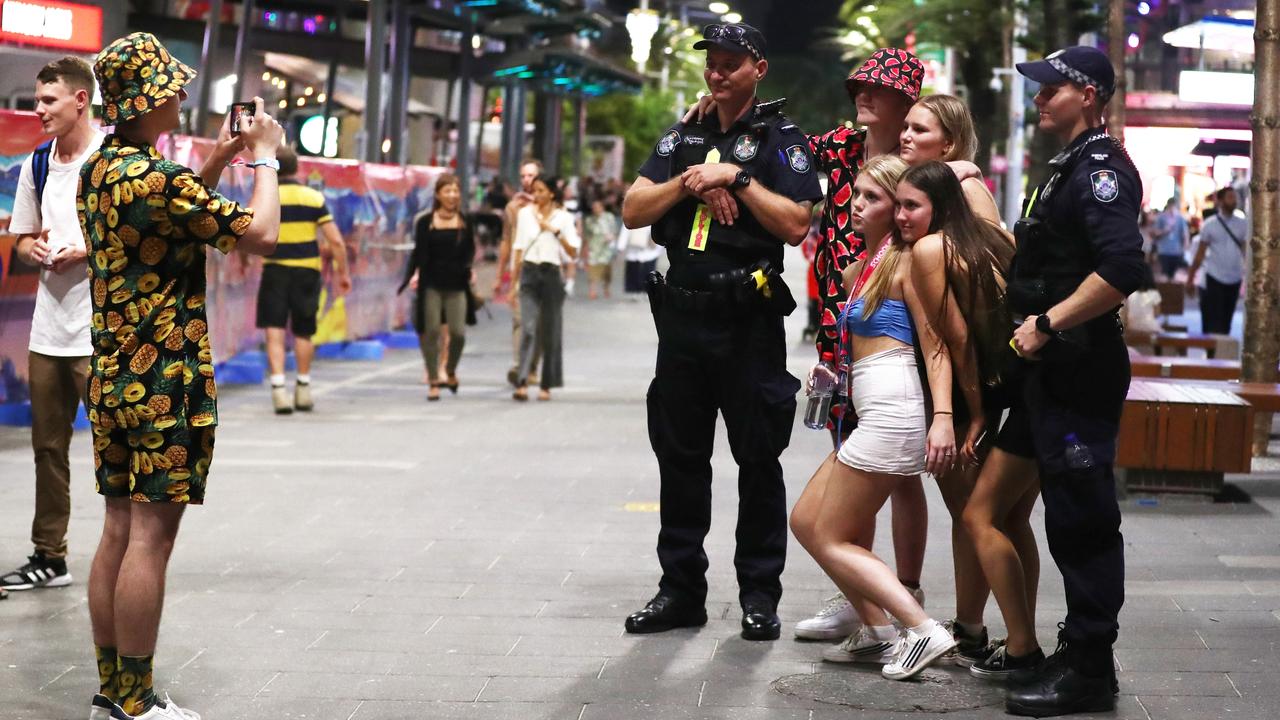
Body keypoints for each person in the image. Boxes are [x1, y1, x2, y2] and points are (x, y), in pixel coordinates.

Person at [79, 32, 284, 720]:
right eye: (169, 88)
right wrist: (266, 162)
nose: (180, 95)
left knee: (115, 530)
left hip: (110, 374)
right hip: (166, 380)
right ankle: (137, 704)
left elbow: (176, 214)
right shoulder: (160, 179)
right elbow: (260, 235)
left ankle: (113, 691)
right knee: (151, 539)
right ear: (146, 101)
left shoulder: (102, 170)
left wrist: (222, 155)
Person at [621, 22, 821, 642]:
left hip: (748, 320)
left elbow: (794, 224)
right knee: (680, 458)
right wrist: (690, 181)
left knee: (758, 458)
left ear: (758, 68)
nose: (717, 73)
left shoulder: (781, 140)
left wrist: (734, 180)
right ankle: (680, 590)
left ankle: (760, 595)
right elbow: (633, 208)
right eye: (713, 62)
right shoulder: (685, 132)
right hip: (682, 318)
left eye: (731, 63)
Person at [1004, 46, 1145, 716]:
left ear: (1088, 94)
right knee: (1064, 516)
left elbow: (1122, 268)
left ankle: (1090, 669)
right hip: (1055, 372)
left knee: (1085, 521)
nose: (1039, 100)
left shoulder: (1102, 170)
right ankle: (1078, 647)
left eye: (1049, 90)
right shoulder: (1065, 167)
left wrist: (1048, 323)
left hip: (1079, 366)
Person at [794, 154, 960, 678]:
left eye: (873, 198)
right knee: (804, 521)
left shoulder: (910, 262)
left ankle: (920, 628)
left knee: (830, 534)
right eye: (856, 195)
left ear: (898, 210)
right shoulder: (859, 269)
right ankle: (878, 630)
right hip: (871, 409)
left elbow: (937, 346)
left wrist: (945, 417)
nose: (856, 205)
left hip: (896, 411)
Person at [0, 57, 103, 594]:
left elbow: (143, 237)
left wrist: (88, 248)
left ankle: (129, 551)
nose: (37, 110)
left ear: (80, 100)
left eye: (48, 101)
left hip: (102, 334)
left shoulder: (114, 161)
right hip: (48, 332)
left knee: (117, 450)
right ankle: (50, 555)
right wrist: (32, 247)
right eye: (37, 101)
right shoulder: (37, 163)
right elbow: (19, 239)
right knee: (48, 448)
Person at [256, 144, 351, 414]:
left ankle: (278, 390)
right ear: (297, 169)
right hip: (307, 272)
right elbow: (335, 241)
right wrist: (343, 273)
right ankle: (303, 388)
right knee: (303, 329)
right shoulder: (313, 198)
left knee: (274, 328)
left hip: (274, 270)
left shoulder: (267, 197)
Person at [402, 173, 474, 401]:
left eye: (455, 191)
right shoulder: (425, 222)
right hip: (431, 283)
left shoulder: (464, 221)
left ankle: (450, 369)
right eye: (447, 191)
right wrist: (414, 274)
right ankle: (433, 378)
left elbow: (470, 251)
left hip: (457, 284)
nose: (452, 195)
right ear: (437, 195)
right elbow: (418, 253)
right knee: (430, 331)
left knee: (458, 333)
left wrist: (470, 270)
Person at [510, 174, 579, 401]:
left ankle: (546, 384)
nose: (536, 195)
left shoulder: (564, 217)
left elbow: (573, 253)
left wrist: (554, 231)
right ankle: (521, 380)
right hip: (529, 273)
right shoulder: (524, 214)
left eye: (541, 190)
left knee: (550, 331)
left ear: (551, 192)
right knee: (528, 328)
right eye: (534, 191)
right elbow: (518, 248)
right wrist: (513, 283)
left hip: (551, 274)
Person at [495, 160, 544, 386]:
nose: (526, 180)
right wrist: (499, 275)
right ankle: (519, 365)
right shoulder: (513, 207)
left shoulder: (550, 204)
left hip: (544, 268)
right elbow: (506, 240)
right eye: (523, 175)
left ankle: (533, 366)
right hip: (520, 268)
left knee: (538, 322)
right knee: (519, 320)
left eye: (531, 175)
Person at [1187, 186, 1248, 335]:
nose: (1234, 201)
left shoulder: (1243, 224)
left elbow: (1245, 251)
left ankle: (1220, 355)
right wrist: (1190, 278)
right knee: (1213, 320)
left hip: (1234, 278)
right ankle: (1211, 354)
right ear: (1220, 201)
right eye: (1230, 197)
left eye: (1235, 197)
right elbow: (1200, 253)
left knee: (1226, 321)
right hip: (1214, 277)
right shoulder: (1210, 225)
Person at [584, 198, 620, 299]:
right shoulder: (589, 220)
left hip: (606, 249)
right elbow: (587, 236)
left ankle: (606, 287)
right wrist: (585, 250)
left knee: (606, 272)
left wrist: (612, 237)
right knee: (593, 270)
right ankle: (592, 290)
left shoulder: (609, 217)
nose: (595, 209)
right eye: (593, 207)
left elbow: (615, 231)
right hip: (594, 247)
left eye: (597, 207)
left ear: (602, 207)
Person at [1152, 198, 1188, 280]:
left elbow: (1185, 234)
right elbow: (1155, 233)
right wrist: (1164, 231)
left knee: (1173, 275)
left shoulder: (1180, 218)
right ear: (1168, 205)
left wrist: (1184, 249)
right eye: (1171, 206)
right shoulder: (1161, 217)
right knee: (1164, 274)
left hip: (1176, 251)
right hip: (1164, 250)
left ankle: (1171, 291)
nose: (1172, 208)